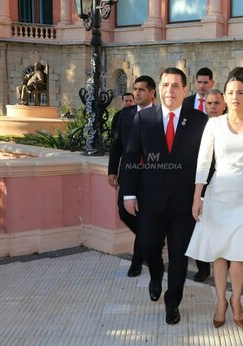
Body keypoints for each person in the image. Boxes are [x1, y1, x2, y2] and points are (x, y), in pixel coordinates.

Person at [120, 67, 208, 325]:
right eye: (166, 85)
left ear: (184, 90)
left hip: (184, 204)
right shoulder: (144, 118)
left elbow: (206, 162)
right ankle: (156, 275)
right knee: (148, 246)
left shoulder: (198, 120)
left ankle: (173, 303)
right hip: (151, 200)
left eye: (175, 86)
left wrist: (200, 196)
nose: (170, 90)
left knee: (180, 255)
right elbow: (132, 156)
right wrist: (129, 193)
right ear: (160, 88)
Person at [186, 76, 243, 329]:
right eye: (231, 92)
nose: (236, 96)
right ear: (225, 97)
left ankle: (237, 299)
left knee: (239, 253)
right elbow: (203, 162)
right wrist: (197, 196)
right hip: (217, 196)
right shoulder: (213, 125)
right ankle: (220, 301)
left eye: (240, 92)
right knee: (219, 253)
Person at [108, 77, 156, 277]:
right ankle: (151, 240)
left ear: (152, 93)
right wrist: (112, 170)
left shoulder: (160, 115)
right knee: (124, 212)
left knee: (143, 215)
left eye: (142, 90)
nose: (137, 93)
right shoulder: (124, 115)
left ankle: (136, 262)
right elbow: (116, 144)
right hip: (128, 173)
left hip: (151, 175)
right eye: (135, 89)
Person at [182, 67, 216, 282]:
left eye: (206, 82)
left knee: (206, 221)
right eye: (199, 82)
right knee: (192, 220)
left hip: (214, 170)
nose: (202, 86)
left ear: (212, 83)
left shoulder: (216, 103)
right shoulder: (186, 104)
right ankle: (194, 261)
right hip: (189, 169)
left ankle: (206, 266)